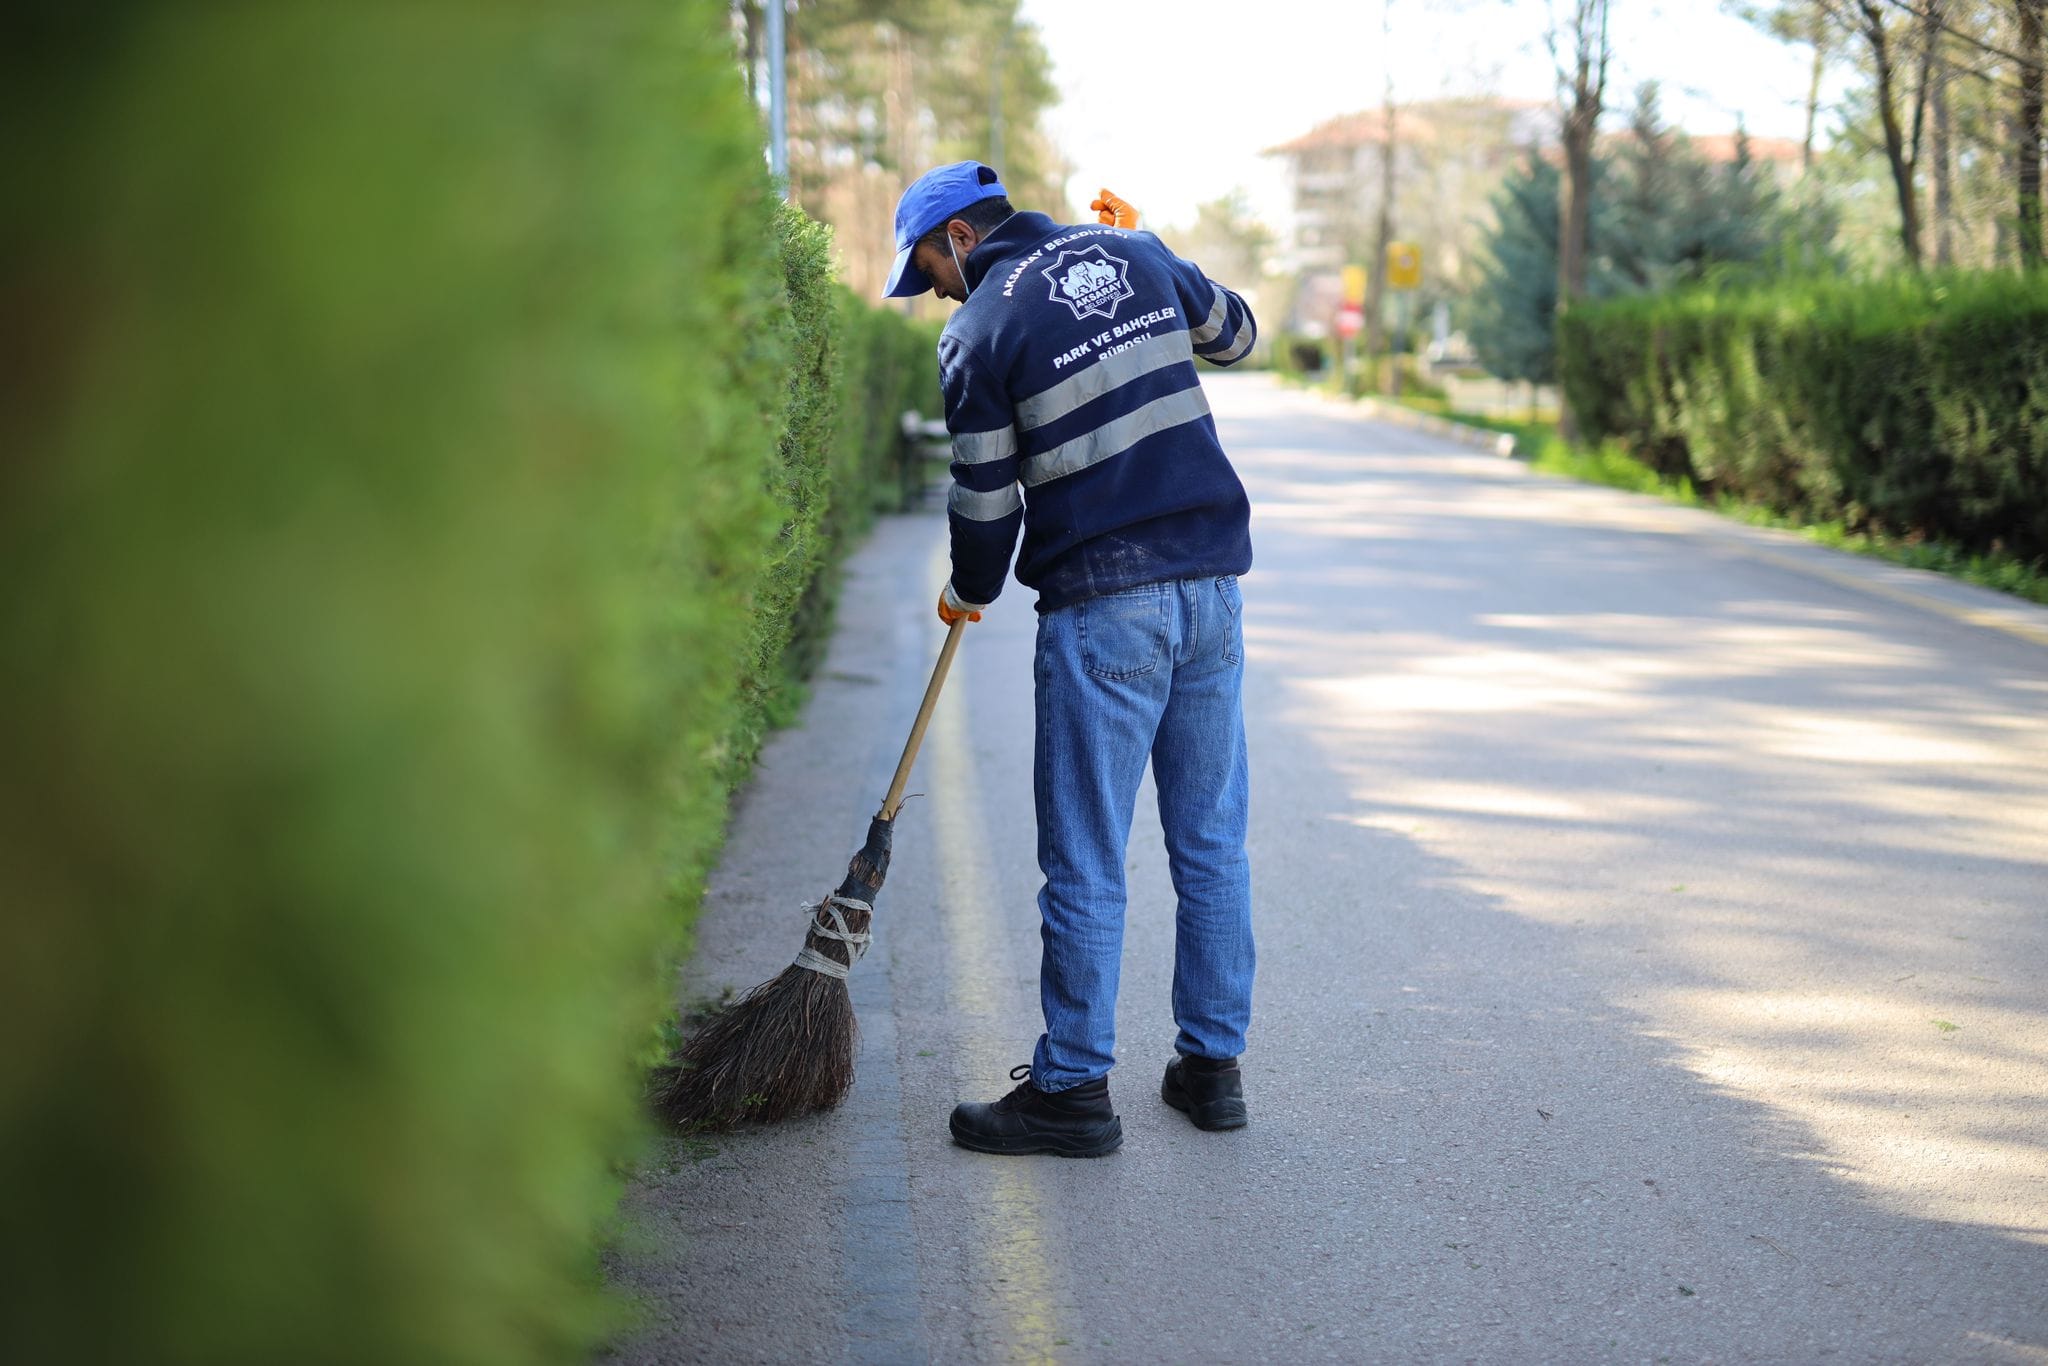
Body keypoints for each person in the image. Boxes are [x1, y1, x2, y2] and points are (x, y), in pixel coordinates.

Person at [883, 161, 1258, 1158]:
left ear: (961, 238)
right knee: (1209, 843)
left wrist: (969, 588)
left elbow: (984, 500)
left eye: (929, 271)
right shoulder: (1134, 253)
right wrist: (1163, 255)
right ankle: (1211, 1071)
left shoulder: (979, 332)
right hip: (1210, 593)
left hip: (1105, 607)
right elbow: (1237, 334)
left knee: (1086, 855)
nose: (935, 297)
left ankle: (1071, 1091)